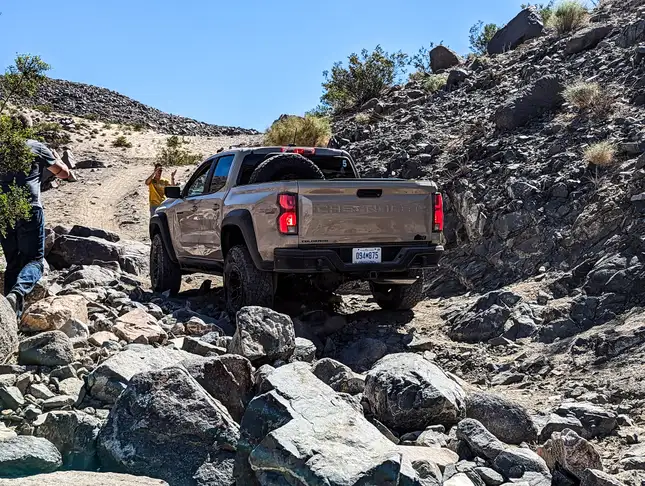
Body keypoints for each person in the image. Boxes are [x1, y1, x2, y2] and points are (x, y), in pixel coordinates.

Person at [0, 113, 71, 316]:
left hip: (4, 209)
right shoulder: (35, 146)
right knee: (35, 261)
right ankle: (18, 293)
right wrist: (56, 160)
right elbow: (63, 173)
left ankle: (9, 317)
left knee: (13, 261)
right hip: (29, 206)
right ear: (27, 128)